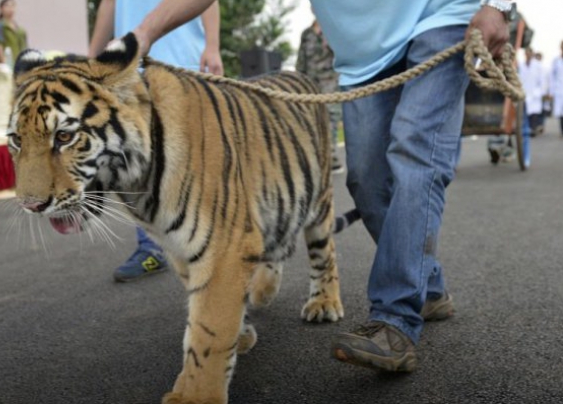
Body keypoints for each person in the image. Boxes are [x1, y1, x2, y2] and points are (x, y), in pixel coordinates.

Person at [128, 0, 511, 372]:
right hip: (364, 58)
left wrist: (500, 5)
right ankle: (428, 287)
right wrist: (143, 34)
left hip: (442, 19)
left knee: (415, 151)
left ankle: (394, 319)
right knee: (365, 181)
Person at [89, 0, 223, 282]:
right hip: (130, 63)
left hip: (183, 59)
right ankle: (151, 246)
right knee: (136, 161)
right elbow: (109, 4)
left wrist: (212, 46)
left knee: (195, 160)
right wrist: (92, 59)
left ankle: (211, 237)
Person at [296, 17, 344, 175]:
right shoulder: (307, 34)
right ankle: (315, 157)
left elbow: (343, 54)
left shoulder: (332, 28)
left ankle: (330, 157)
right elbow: (301, 61)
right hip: (311, 84)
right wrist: (298, 81)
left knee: (330, 117)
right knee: (311, 119)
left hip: (330, 82)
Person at [518, 47, 545, 136]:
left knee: (534, 113)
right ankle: (527, 129)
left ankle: (533, 130)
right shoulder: (521, 65)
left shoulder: (538, 65)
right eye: (526, 53)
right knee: (525, 113)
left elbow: (542, 80)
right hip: (524, 92)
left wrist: (539, 92)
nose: (528, 55)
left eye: (529, 53)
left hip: (535, 93)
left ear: (532, 54)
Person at [550, 41, 563, 136]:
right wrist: (551, 91)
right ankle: (562, 131)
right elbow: (552, 77)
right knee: (561, 114)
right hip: (559, 89)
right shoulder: (556, 61)